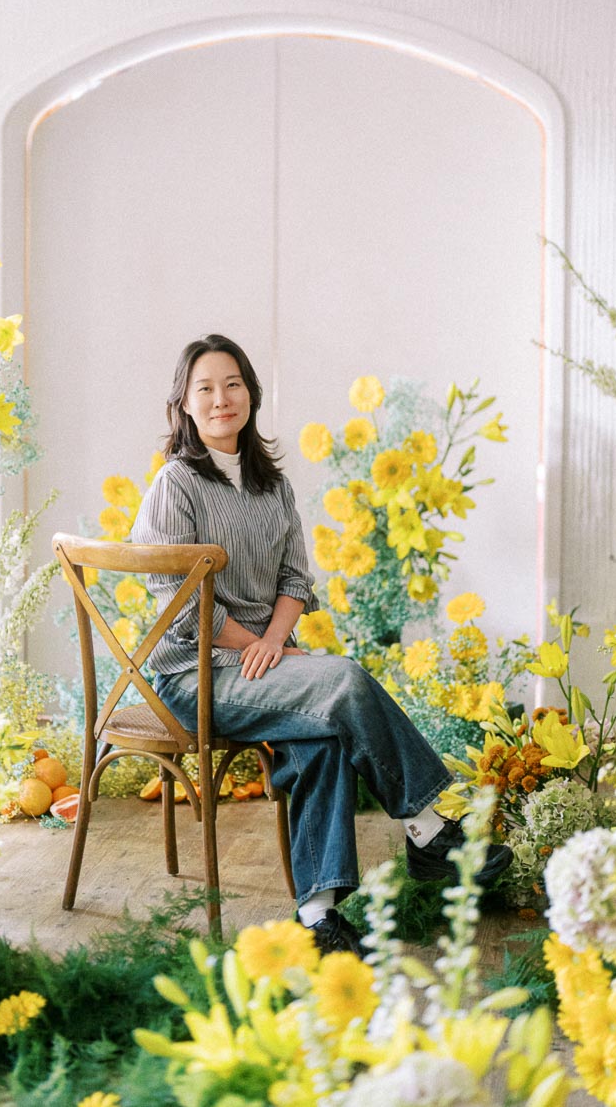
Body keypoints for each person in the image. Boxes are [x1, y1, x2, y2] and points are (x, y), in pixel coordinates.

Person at [131, 334, 512, 956]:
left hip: (263, 663)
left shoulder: (272, 486)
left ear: (251, 394)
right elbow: (177, 602)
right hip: (193, 673)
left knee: (325, 738)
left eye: (232, 384)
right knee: (345, 679)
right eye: (205, 388)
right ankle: (427, 830)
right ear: (185, 405)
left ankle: (317, 915)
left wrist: (275, 642)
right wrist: (258, 645)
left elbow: (293, 581)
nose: (221, 398)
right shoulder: (177, 483)